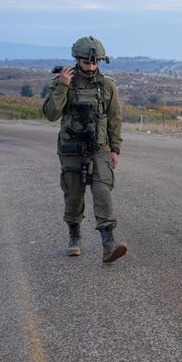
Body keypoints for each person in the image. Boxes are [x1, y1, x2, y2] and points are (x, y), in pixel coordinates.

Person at [42, 36, 128, 263]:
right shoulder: (62, 81)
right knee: (73, 195)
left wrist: (115, 149)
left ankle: (108, 243)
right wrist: (62, 85)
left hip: (100, 148)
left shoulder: (107, 86)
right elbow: (51, 114)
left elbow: (114, 119)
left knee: (103, 193)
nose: (91, 67)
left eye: (95, 62)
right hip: (71, 149)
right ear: (77, 59)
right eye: (87, 62)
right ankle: (74, 235)